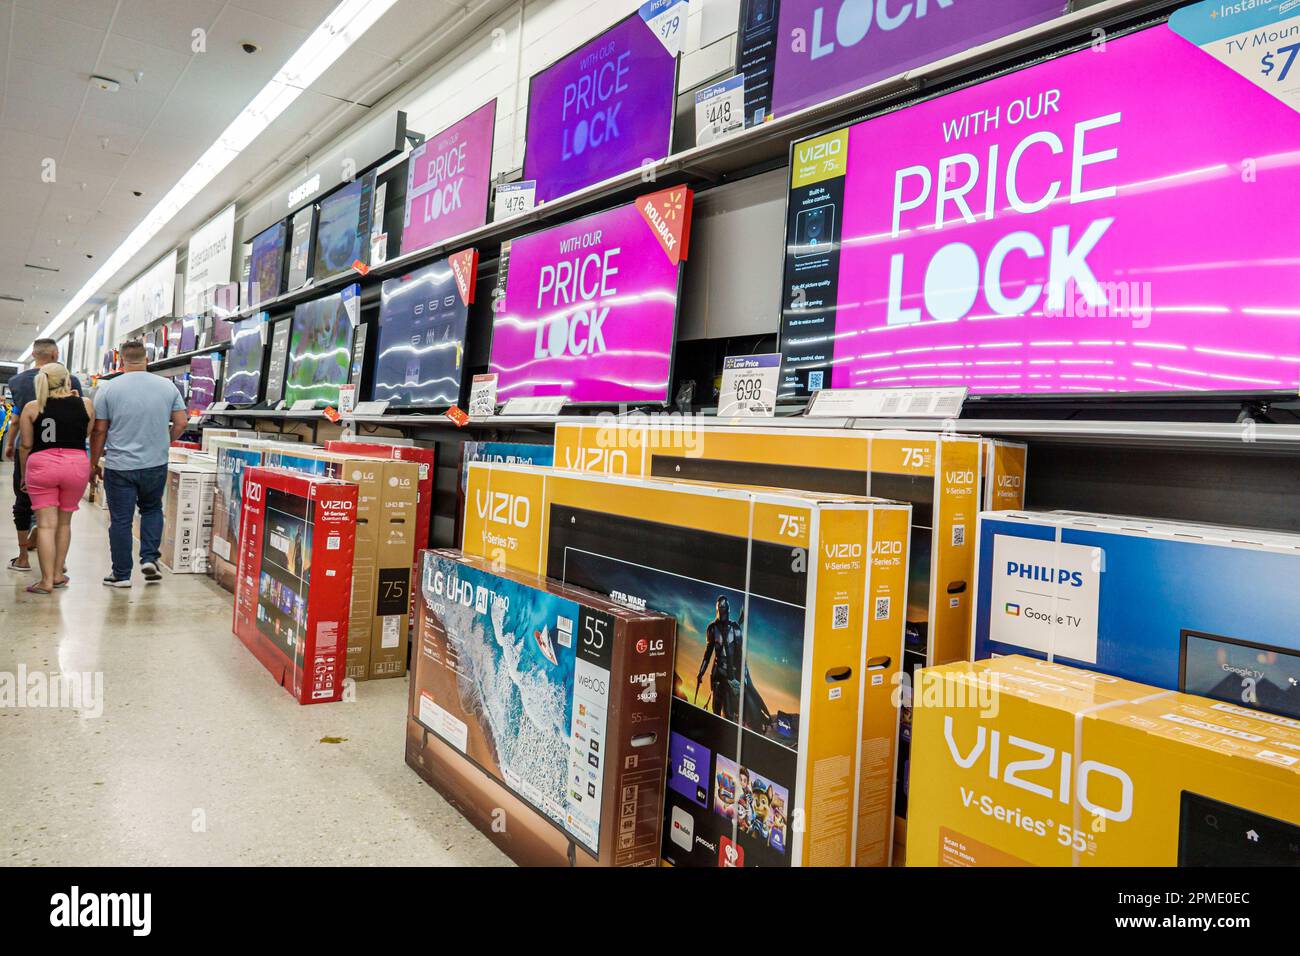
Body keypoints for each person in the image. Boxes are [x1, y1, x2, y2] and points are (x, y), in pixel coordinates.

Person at [89, 340, 188, 587]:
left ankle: (121, 574)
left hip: (120, 465)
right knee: (152, 509)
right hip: (155, 463)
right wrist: (165, 441)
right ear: (147, 360)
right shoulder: (167, 387)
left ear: (121, 360)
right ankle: (150, 558)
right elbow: (182, 423)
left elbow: (99, 430)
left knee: (121, 519)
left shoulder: (108, 389)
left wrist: (93, 462)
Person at [15, 364, 93, 595]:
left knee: (45, 525)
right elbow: (85, 433)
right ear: (67, 380)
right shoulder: (86, 404)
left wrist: (24, 474)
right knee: (65, 522)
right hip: (75, 463)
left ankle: (46, 581)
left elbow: (26, 445)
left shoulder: (32, 406)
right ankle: (59, 574)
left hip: (42, 465)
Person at [6, 339, 83, 573]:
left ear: (33, 354)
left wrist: (10, 443)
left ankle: (22, 558)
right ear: (55, 354)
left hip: (32, 453)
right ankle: (58, 563)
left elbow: (17, 419)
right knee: (58, 511)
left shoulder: (16, 382)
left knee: (22, 502)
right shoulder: (72, 379)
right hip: (64, 449)